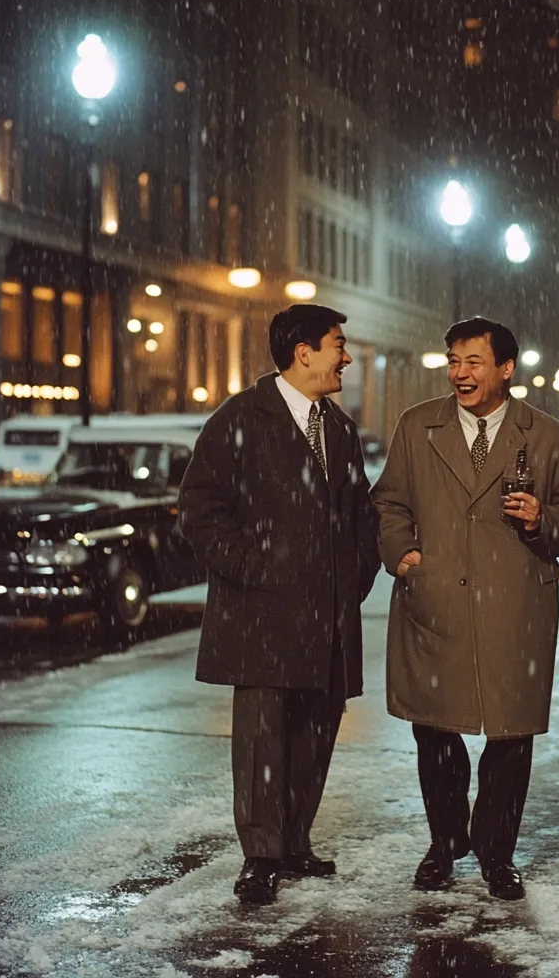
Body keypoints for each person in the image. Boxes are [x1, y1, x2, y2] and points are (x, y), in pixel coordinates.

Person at [373, 317, 559, 901]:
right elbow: (388, 502)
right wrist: (402, 554)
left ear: (506, 369)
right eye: (453, 361)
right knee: (435, 731)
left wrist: (543, 519)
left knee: (510, 738)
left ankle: (497, 854)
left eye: (474, 362)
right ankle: (444, 843)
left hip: (515, 608)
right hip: (435, 601)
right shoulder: (418, 427)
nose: (460, 374)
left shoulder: (547, 437)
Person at [178, 304, 380, 905]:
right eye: (338, 345)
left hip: (328, 616)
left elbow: (361, 516)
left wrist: (356, 574)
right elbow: (199, 511)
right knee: (262, 740)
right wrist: (253, 567)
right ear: (303, 352)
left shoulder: (338, 428)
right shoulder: (240, 418)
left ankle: (294, 842)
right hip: (262, 615)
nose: (346, 357)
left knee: (315, 733)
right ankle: (261, 856)